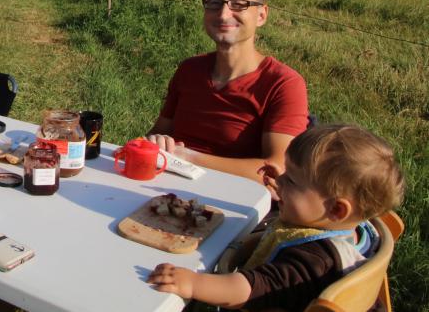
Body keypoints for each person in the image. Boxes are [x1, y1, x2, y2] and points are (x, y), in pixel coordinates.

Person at [147, 123, 404, 311]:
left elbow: (249, 289)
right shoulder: (360, 229)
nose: (280, 181)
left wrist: (194, 284)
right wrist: (286, 182)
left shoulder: (315, 259)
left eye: (291, 180)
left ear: (337, 210)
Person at [146, 0, 309, 183]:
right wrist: (156, 142)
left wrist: (187, 158)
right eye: (214, 3)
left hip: (234, 196)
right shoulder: (189, 69)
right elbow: (158, 133)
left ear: (261, 15)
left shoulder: (282, 83)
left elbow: (278, 168)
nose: (223, 14)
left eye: (239, 4)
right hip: (165, 186)